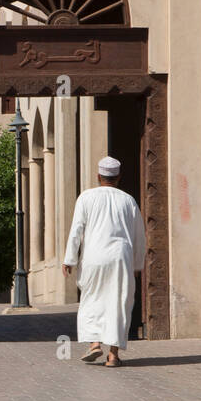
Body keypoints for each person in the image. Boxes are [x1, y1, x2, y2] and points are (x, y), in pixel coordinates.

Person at [61, 156, 145, 367]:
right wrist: (137, 265)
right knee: (118, 303)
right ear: (118, 177)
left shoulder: (86, 198)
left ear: (98, 176)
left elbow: (76, 230)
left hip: (94, 257)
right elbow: (139, 236)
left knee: (92, 299)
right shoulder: (128, 200)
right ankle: (113, 355)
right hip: (120, 258)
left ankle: (95, 343)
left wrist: (69, 258)